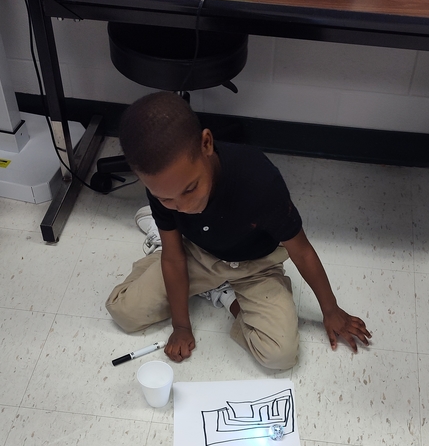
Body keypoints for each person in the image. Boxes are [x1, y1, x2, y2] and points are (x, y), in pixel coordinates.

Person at [106, 92, 371, 369]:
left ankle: (223, 293)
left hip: (256, 265)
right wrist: (181, 325)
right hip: (197, 252)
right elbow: (174, 258)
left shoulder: (259, 180)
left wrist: (330, 310)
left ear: (206, 144)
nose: (183, 206)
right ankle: (167, 246)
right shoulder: (162, 188)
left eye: (190, 188)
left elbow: (302, 252)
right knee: (123, 312)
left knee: (280, 356)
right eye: (166, 199)